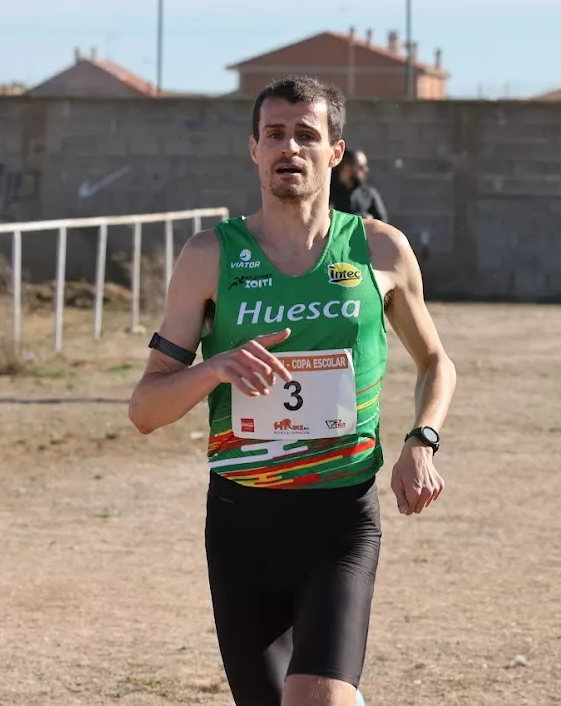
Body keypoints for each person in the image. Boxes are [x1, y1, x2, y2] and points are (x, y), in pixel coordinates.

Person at [126, 76, 456, 706]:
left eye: (307, 135)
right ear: (253, 148)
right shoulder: (209, 257)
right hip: (242, 519)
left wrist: (423, 440)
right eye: (275, 134)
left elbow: (437, 362)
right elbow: (145, 409)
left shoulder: (379, 249)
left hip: (340, 515)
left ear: (335, 152)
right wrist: (214, 368)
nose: (290, 148)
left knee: (318, 697)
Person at [330, 149, 388, 222]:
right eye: (360, 167)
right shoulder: (328, 193)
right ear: (347, 168)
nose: (366, 170)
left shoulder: (369, 194)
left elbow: (382, 223)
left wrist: (368, 222)